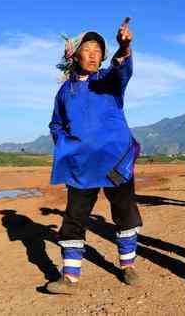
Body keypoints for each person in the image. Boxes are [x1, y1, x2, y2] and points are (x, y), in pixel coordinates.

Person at [46, 19, 142, 294]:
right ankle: (70, 277)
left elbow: (122, 68)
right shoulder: (65, 91)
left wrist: (124, 46)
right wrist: (67, 147)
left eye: (98, 50)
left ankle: (128, 266)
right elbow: (55, 123)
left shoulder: (108, 82)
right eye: (87, 49)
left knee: (124, 212)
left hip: (115, 162)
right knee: (75, 217)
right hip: (81, 168)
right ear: (75, 54)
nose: (94, 54)